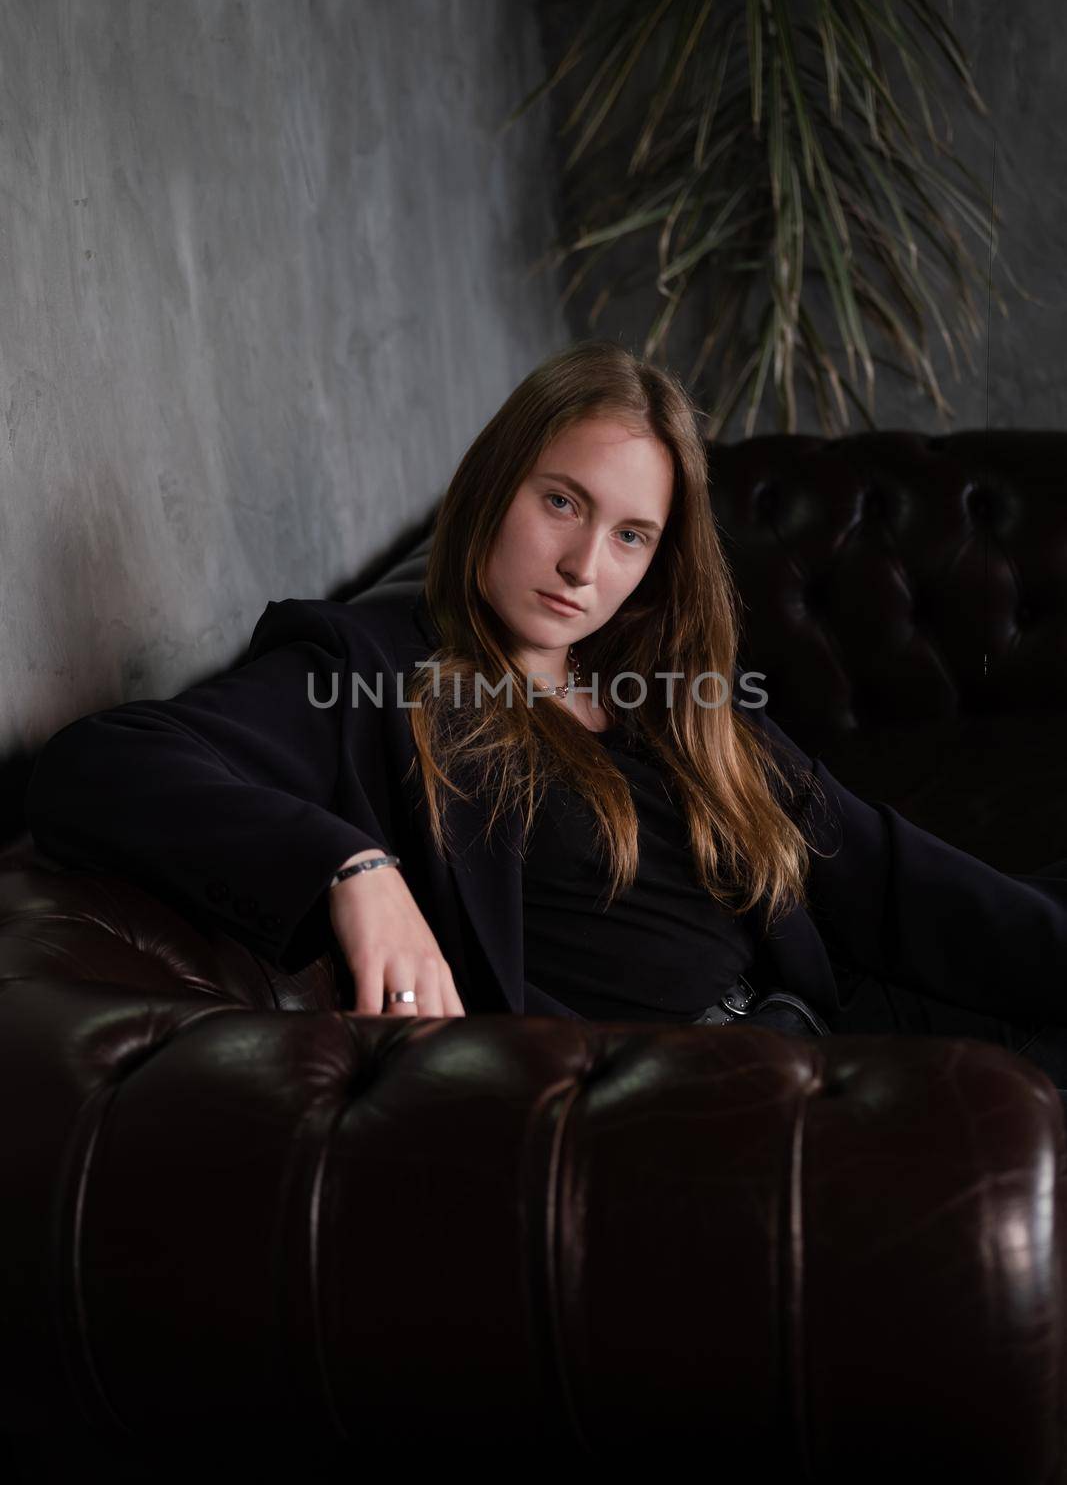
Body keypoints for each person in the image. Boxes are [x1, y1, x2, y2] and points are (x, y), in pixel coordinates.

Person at [24, 339, 1067, 1115]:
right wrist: (351, 869)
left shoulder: (664, 693)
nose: (583, 568)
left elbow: (872, 867)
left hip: (827, 1018)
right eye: (559, 502)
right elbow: (96, 763)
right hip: (720, 1097)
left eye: (627, 536)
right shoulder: (371, 670)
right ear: (491, 486)